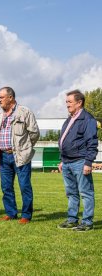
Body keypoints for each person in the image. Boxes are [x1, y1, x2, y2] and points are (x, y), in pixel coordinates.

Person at [0, 86, 39, 224]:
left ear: (11, 98)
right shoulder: (0, 115)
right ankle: (11, 213)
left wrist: (25, 149)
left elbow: (34, 134)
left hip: (20, 156)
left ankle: (26, 215)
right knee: (6, 187)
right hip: (4, 157)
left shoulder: (24, 112)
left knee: (24, 186)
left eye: (1, 97)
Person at [57, 89, 98, 231]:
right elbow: (65, 141)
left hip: (80, 162)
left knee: (86, 193)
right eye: (66, 101)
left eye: (69, 101)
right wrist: (62, 160)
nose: (67, 104)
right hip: (67, 162)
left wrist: (88, 162)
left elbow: (92, 142)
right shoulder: (70, 119)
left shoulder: (88, 119)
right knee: (71, 193)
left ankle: (87, 223)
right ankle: (72, 219)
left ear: (79, 103)